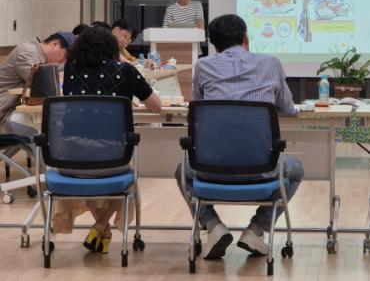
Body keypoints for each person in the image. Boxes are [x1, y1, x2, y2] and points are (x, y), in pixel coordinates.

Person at [176, 14, 303, 261]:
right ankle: (256, 229)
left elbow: (198, 109)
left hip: (211, 170)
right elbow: (287, 108)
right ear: (245, 38)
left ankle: (213, 226)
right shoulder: (271, 64)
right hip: (262, 169)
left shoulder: (203, 66)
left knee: (182, 171)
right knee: (296, 170)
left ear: (214, 45)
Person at [56, 26, 161, 254]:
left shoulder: (71, 69)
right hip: (112, 157)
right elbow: (156, 105)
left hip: (70, 158)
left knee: (92, 167)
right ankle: (101, 225)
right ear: (112, 48)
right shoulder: (125, 71)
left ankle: (101, 231)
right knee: (122, 176)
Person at [0, 31, 75, 136]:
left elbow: (61, 73)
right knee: (51, 128)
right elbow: (45, 87)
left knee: (57, 123)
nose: (63, 61)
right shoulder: (27, 53)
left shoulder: (43, 57)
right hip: (5, 114)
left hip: (16, 109)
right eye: (66, 55)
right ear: (55, 44)